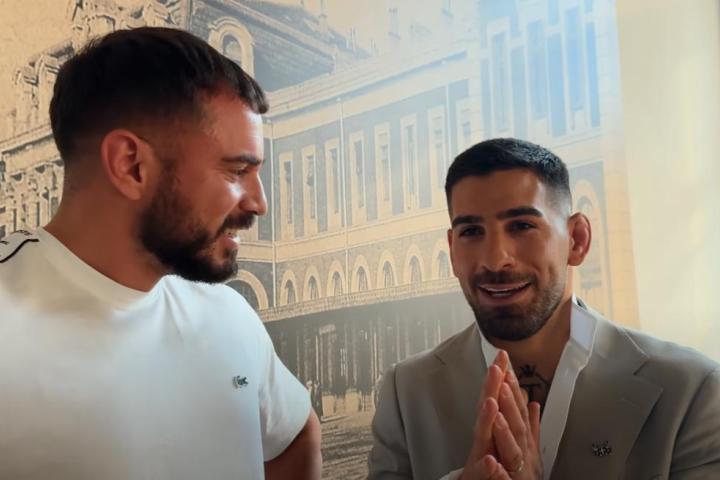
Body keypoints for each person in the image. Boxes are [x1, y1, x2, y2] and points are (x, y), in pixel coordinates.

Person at [0, 27, 321, 479]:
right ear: (131, 165)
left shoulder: (229, 316)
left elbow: (297, 435)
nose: (258, 203)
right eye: (236, 171)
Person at [368, 138, 720, 479]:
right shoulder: (406, 393)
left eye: (522, 226)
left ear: (577, 240)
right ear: (452, 249)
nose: (495, 259)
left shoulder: (691, 390)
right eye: (472, 231)